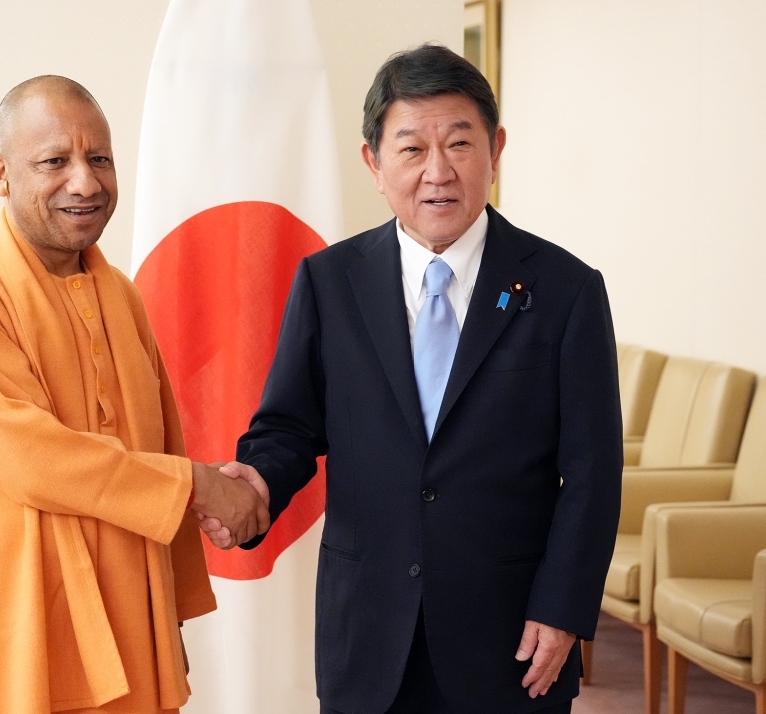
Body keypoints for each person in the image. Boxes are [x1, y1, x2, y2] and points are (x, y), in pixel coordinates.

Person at [201, 45, 622, 714]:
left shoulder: (566, 290)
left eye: (459, 143)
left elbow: (593, 473)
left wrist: (564, 606)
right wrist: (257, 480)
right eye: (411, 149)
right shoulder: (329, 282)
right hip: (368, 632)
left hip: (510, 637)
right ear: (373, 163)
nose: (438, 172)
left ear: (496, 149)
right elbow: (289, 426)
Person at [0, 76, 268, 714]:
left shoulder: (121, 295)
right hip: (9, 620)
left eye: (100, 159)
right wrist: (200, 486)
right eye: (54, 162)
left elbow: (161, 439)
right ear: (2, 173)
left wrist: (166, 617)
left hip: (125, 615)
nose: (85, 183)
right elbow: (30, 457)